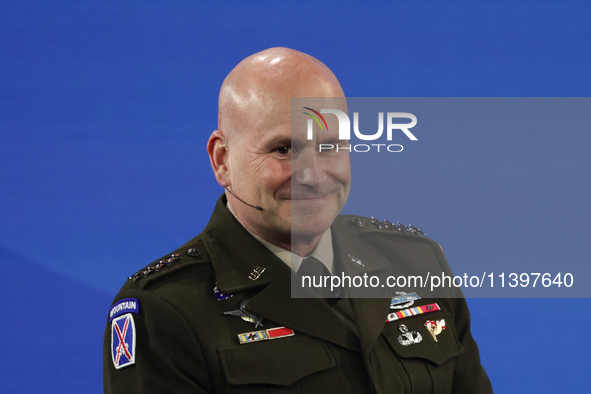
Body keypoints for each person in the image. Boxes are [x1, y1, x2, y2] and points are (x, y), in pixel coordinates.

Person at [103, 47, 493, 393]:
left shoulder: (416, 264)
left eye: (330, 146)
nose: (313, 175)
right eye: (284, 148)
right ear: (222, 160)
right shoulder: (165, 311)